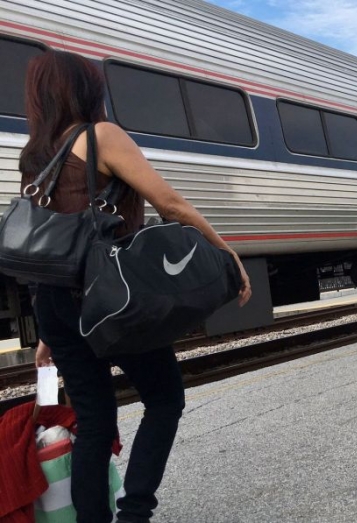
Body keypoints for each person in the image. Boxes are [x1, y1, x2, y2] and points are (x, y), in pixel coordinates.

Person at [22, 51, 252, 523]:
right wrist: (228, 256)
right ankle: (134, 514)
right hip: (111, 299)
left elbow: (48, 245)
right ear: (86, 90)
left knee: (94, 424)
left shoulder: (35, 155)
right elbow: (170, 204)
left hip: (55, 302)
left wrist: (50, 329)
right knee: (165, 400)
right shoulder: (100, 136)